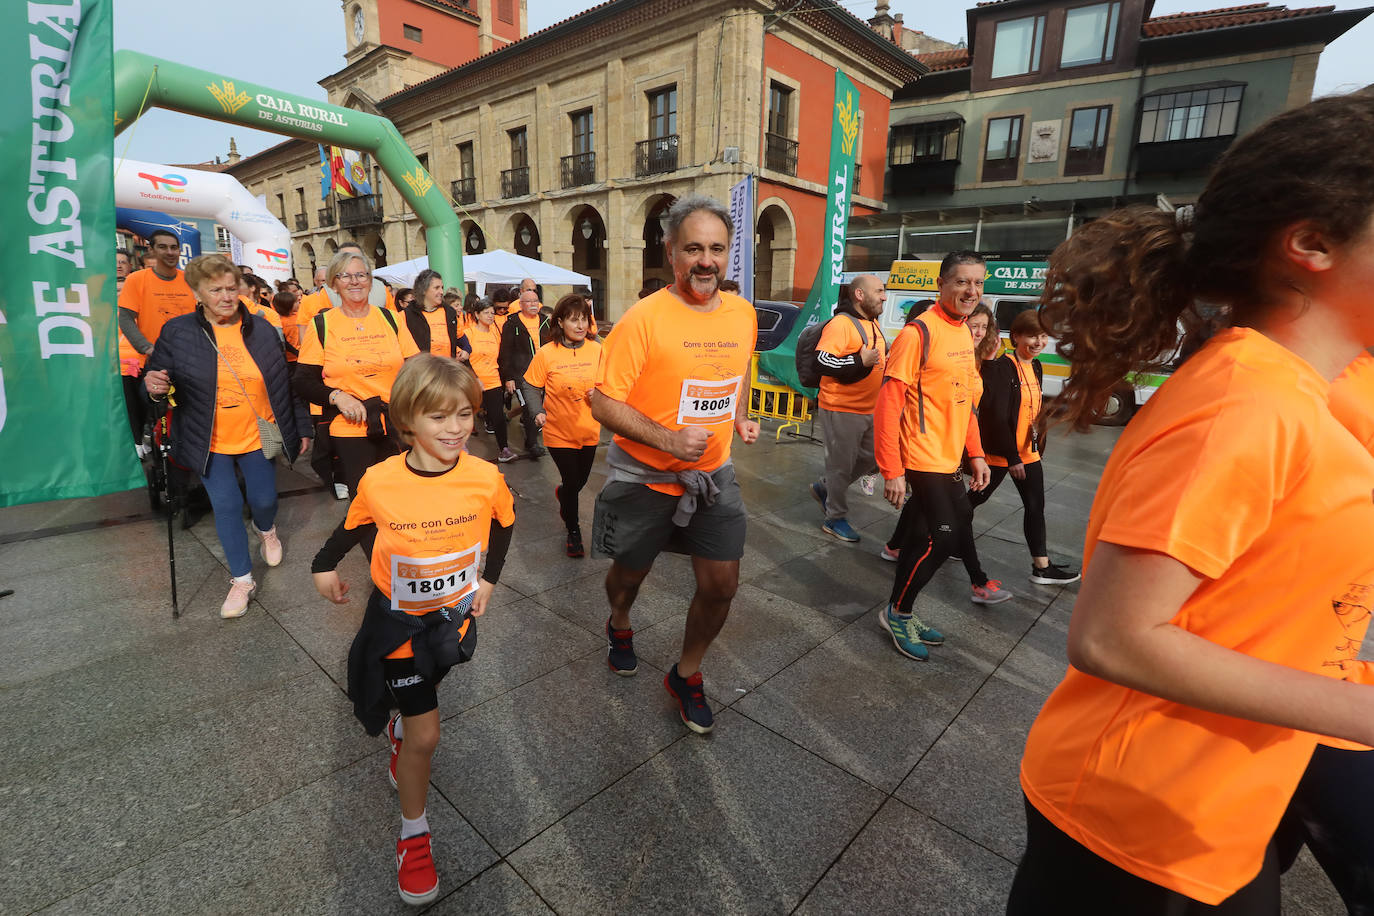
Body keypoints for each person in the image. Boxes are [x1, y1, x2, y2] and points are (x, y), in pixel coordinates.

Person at [1007, 93, 1374, 914]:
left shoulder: (1317, 386)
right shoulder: (1247, 402)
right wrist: (1359, 709)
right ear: (1311, 243)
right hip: (1135, 828)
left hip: (1225, 806)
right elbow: (1113, 635)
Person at [310, 355, 514, 906]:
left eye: (465, 415)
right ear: (407, 420)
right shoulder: (380, 480)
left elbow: (505, 523)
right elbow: (353, 525)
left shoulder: (484, 475)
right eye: (439, 417)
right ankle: (414, 836)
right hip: (398, 623)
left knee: (431, 685)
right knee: (428, 733)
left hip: (454, 619)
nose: (455, 429)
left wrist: (489, 582)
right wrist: (323, 565)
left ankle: (403, 731)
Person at [589, 194, 760, 735]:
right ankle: (619, 623)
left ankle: (686, 674)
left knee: (722, 585)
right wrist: (666, 437)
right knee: (629, 579)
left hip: (715, 475)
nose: (705, 261)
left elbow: (736, 373)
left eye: (716, 249)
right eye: (693, 249)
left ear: (729, 254)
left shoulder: (742, 312)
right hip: (646, 478)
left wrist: (739, 414)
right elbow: (602, 401)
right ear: (670, 253)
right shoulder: (643, 319)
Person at [143, 254, 305, 618]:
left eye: (232, 288)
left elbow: (285, 386)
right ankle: (242, 580)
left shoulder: (263, 330)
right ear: (198, 292)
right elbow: (154, 381)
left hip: (256, 434)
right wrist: (153, 387)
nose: (226, 296)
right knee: (227, 505)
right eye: (216, 289)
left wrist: (302, 428)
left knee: (263, 500)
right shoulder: (178, 332)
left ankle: (266, 529)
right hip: (207, 438)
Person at [873, 252, 1010, 664]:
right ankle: (898, 612)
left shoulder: (964, 334)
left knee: (922, 538)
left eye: (978, 283)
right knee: (945, 535)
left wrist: (977, 455)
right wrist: (891, 470)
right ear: (942, 284)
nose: (971, 291)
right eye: (962, 282)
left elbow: (966, 403)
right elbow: (888, 405)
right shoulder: (919, 334)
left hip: (950, 459)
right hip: (920, 457)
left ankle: (901, 610)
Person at [294, 249, 421, 499]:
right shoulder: (322, 324)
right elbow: (302, 381)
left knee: (402, 497)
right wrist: (338, 396)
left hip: (395, 422)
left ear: (370, 281)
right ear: (333, 284)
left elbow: (416, 368)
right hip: (350, 427)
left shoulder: (391, 319)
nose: (354, 282)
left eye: (361, 275)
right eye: (345, 276)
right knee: (366, 500)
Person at [968, 309, 1079, 584]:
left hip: (1028, 454)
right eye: (1032, 335)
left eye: (1043, 336)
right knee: (974, 500)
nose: (1039, 342)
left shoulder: (1036, 366)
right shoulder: (1003, 367)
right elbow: (996, 417)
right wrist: (1011, 456)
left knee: (1035, 505)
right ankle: (938, 532)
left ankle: (1041, 567)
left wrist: (1036, 444)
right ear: (1016, 336)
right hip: (1001, 453)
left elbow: (1032, 410)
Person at [808, 275, 887, 543]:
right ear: (860, 295)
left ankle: (826, 487)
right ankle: (835, 518)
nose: (884, 296)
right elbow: (821, 361)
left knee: (873, 458)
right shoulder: (842, 324)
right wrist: (858, 360)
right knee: (840, 466)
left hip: (869, 408)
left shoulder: (872, 323)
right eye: (879, 291)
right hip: (841, 407)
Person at [525, 294, 603, 556]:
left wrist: (601, 396)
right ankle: (574, 532)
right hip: (558, 431)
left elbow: (613, 382)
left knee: (577, 483)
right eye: (574, 320)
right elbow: (530, 385)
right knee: (571, 481)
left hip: (589, 430)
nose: (580, 326)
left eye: (583, 320)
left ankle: (564, 494)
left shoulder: (598, 350)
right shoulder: (547, 353)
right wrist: (537, 411)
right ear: (560, 321)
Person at [118, 229, 197, 366]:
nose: (170, 252)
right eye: (162, 247)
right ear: (152, 251)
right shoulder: (136, 279)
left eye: (174, 248)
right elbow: (125, 318)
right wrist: (147, 348)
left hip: (189, 357)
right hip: (155, 360)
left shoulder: (191, 279)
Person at [498, 282, 553, 458]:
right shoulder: (512, 323)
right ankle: (532, 443)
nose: (533, 304)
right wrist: (508, 378)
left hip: (544, 371)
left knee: (539, 407)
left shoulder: (545, 321)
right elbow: (505, 352)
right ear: (521, 305)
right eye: (529, 302)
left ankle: (532, 438)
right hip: (522, 374)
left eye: (536, 301)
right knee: (530, 408)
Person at [403, 269, 471, 363]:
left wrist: (466, 350)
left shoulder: (449, 312)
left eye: (442, 287)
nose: (442, 292)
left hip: (447, 371)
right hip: (422, 372)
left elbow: (462, 340)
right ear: (423, 290)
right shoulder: (406, 315)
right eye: (436, 288)